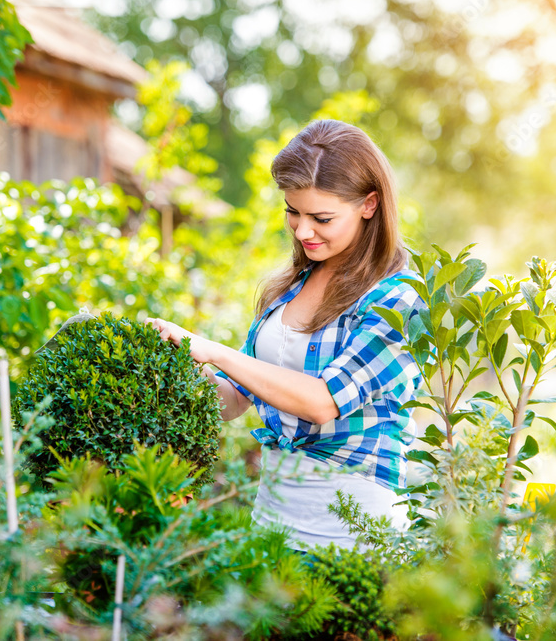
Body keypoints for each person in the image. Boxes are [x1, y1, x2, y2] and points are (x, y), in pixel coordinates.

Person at [147, 119, 425, 550]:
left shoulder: (399, 298)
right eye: (293, 212)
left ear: (369, 205)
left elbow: (321, 402)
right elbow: (235, 397)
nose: (302, 230)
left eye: (322, 217)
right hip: (273, 520)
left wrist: (214, 350)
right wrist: (166, 361)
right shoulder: (290, 287)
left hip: (352, 532)